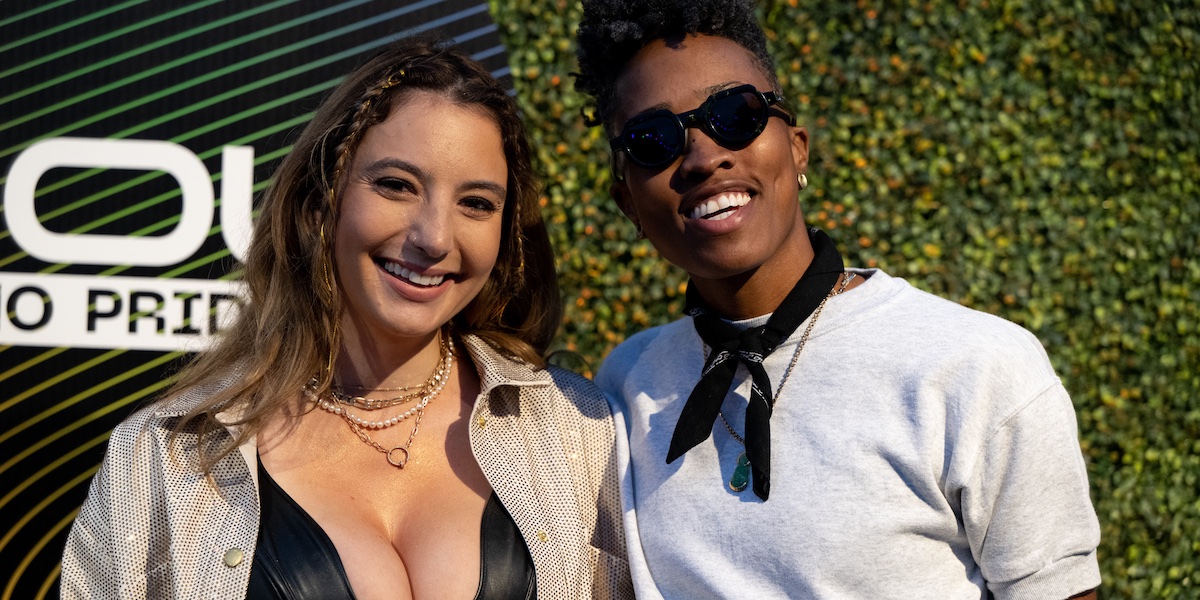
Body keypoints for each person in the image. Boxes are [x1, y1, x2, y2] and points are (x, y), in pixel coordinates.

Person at [61, 38, 632, 599]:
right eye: (396, 186)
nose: (434, 237)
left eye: (476, 203)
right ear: (321, 200)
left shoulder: (577, 433)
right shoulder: (163, 457)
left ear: (505, 235)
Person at [574, 1, 1101, 598]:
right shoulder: (625, 383)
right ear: (627, 203)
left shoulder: (976, 366)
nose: (703, 157)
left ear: (797, 148)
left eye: (735, 114)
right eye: (653, 140)